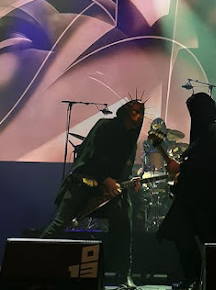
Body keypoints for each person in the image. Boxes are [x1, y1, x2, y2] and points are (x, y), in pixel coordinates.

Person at [40, 99, 145, 290]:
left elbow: (123, 170)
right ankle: (30, 260)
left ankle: (125, 275)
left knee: (124, 223)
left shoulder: (131, 141)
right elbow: (90, 156)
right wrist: (105, 178)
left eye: (141, 113)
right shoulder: (105, 126)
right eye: (134, 112)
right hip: (83, 183)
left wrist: (130, 182)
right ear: (125, 112)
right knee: (59, 223)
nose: (137, 117)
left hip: (107, 192)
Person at [157, 92, 216, 290]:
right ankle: (198, 278)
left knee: (181, 232)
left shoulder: (213, 131)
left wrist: (181, 168)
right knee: (191, 235)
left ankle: (196, 277)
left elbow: (204, 163)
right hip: (204, 198)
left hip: (201, 199)